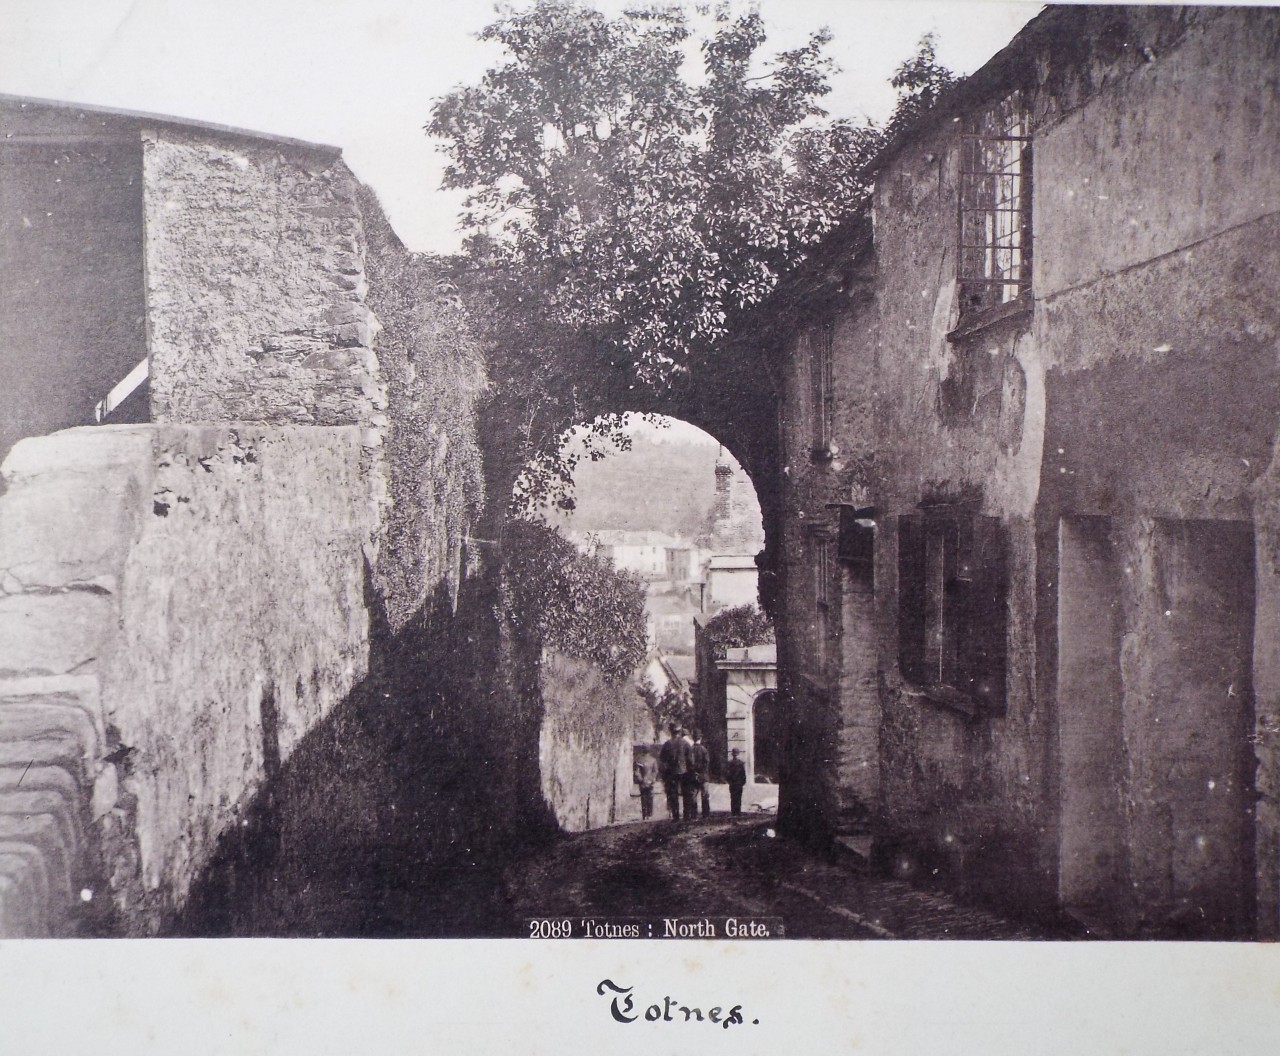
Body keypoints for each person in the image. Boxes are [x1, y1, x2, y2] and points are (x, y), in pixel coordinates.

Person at [657, 725, 683, 820]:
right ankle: (687, 815)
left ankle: (675, 815)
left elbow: (662, 760)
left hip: (671, 773)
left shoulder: (667, 744)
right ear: (679, 732)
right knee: (686, 793)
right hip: (684, 773)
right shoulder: (684, 743)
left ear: (671, 732)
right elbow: (690, 758)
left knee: (673, 794)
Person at [677, 727, 698, 822]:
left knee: (685, 794)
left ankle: (685, 815)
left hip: (681, 772)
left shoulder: (679, 743)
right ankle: (692, 815)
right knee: (691, 794)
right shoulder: (689, 744)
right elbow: (691, 760)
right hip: (689, 772)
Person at [690, 730, 711, 817]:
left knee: (693, 795)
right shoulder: (704, 749)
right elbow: (707, 762)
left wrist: (694, 772)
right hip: (703, 776)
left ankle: (694, 814)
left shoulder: (690, 749)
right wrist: (701, 773)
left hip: (693, 775)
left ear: (693, 738)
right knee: (705, 795)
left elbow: (688, 763)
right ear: (700, 738)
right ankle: (705, 814)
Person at [633, 749, 658, 820]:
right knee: (650, 797)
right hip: (650, 782)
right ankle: (649, 814)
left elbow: (637, 772)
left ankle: (644, 814)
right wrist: (652, 779)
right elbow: (655, 771)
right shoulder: (653, 760)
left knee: (643, 798)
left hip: (643, 782)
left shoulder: (639, 760)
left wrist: (641, 779)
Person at [726, 748, 747, 816]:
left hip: (732, 783)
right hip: (739, 783)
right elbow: (743, 774)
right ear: (738, 754)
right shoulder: (741, 763)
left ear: (732, 754)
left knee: (733, 797)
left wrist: (729, 781)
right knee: (738, 798)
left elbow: (727, 774)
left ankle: (733, 812)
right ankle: (738, 811)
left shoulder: (729, 763)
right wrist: (743, 782)